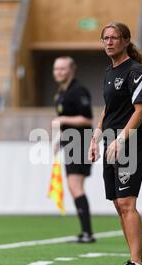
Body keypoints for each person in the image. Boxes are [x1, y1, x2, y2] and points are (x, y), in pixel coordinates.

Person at [89, 22, 142, 265]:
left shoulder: (135, 71)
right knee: (117, 203)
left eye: (114, 38)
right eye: (105, 38)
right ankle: (133, 262)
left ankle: (138, 264)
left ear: (126, 41)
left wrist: (122, 138)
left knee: (127, 202)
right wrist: (96, 135)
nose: (109, 42)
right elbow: (108, 109)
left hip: (130, 143)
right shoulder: (107, 73)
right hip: (110, 143)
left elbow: (141, 109)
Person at [52, 56, 96, 244]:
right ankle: (86, 232)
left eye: (63, 69)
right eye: (56, 69)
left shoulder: (79, 91)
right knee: (74, 187)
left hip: (81, 142)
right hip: (71, 143)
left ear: (72, 70)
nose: (59, 72)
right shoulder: (61, 92)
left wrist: (63, 120)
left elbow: (87, 119)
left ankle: (87, 233)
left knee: (75, 185)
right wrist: (58, 140)